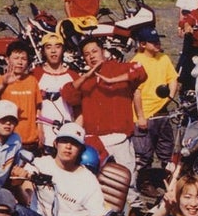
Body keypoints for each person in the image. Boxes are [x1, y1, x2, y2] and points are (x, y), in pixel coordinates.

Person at [62, 36, 145, 172]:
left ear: (103, 51)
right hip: (95, 142)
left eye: (94, 51)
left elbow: (140, 71)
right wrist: (86, 76)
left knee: (126, 182)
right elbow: (68, 95)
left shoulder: (120, 68)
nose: (91, 57)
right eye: (87, 54)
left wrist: (113, 80)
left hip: (120, 139)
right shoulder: (85, 81)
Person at [30, 121, 106, 216]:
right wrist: (24, 180)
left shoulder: (88, 179)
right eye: (64, 141)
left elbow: (98, 215)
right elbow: (20, 180)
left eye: (74, 143)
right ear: (56, 144)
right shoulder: (41, 164)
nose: (68, 146)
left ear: (80, 150)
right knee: (20, 212)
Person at [131, 29, 179, 175]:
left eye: (158, 40)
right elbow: (136, 92)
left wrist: (167, 99)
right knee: (144, 155)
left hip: (162, 113)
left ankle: (168, 181)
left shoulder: (163, 57)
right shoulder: (136, 63)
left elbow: (173, 79)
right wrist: (141, 117)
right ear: (143, 44)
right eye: (154, 42)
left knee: (167, 151)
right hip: (145, 115)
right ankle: (145, 183)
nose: (158, 44)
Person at [0, 39, 41, 146]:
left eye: (23, 59)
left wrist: (40, 132)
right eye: (16, 58)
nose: (20, 62)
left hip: (30, 140)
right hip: (6, 139)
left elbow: (38, 109)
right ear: (7, 60)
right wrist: (4, 84)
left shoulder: (32, 80)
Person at [32, 35, 77, 146]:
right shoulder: (35, 75)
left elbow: (80, 110)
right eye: (48, 47)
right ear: (43, 51)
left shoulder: (73, 76)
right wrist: (38, 130)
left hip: (67, 137)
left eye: (57, 47)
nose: (53, 51)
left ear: (63, 50)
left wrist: (75, 133)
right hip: (43, 135)